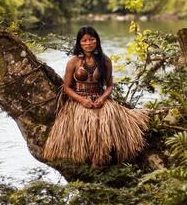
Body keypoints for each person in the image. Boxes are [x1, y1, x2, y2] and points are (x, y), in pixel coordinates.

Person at [43, 26, 150, 166]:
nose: (88, 43)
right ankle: (84, 157)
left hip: (100, 99)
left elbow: (110, 85)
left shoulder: (105, 61)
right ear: (79, 43)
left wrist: (103, 98)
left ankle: (104, 158)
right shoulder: (73, 62)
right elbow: (66, 88)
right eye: (84, 40)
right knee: (87, 127)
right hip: (79, 102)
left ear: (97, 41)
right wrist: (81, 100)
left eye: (92, 39)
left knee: (105, 124)